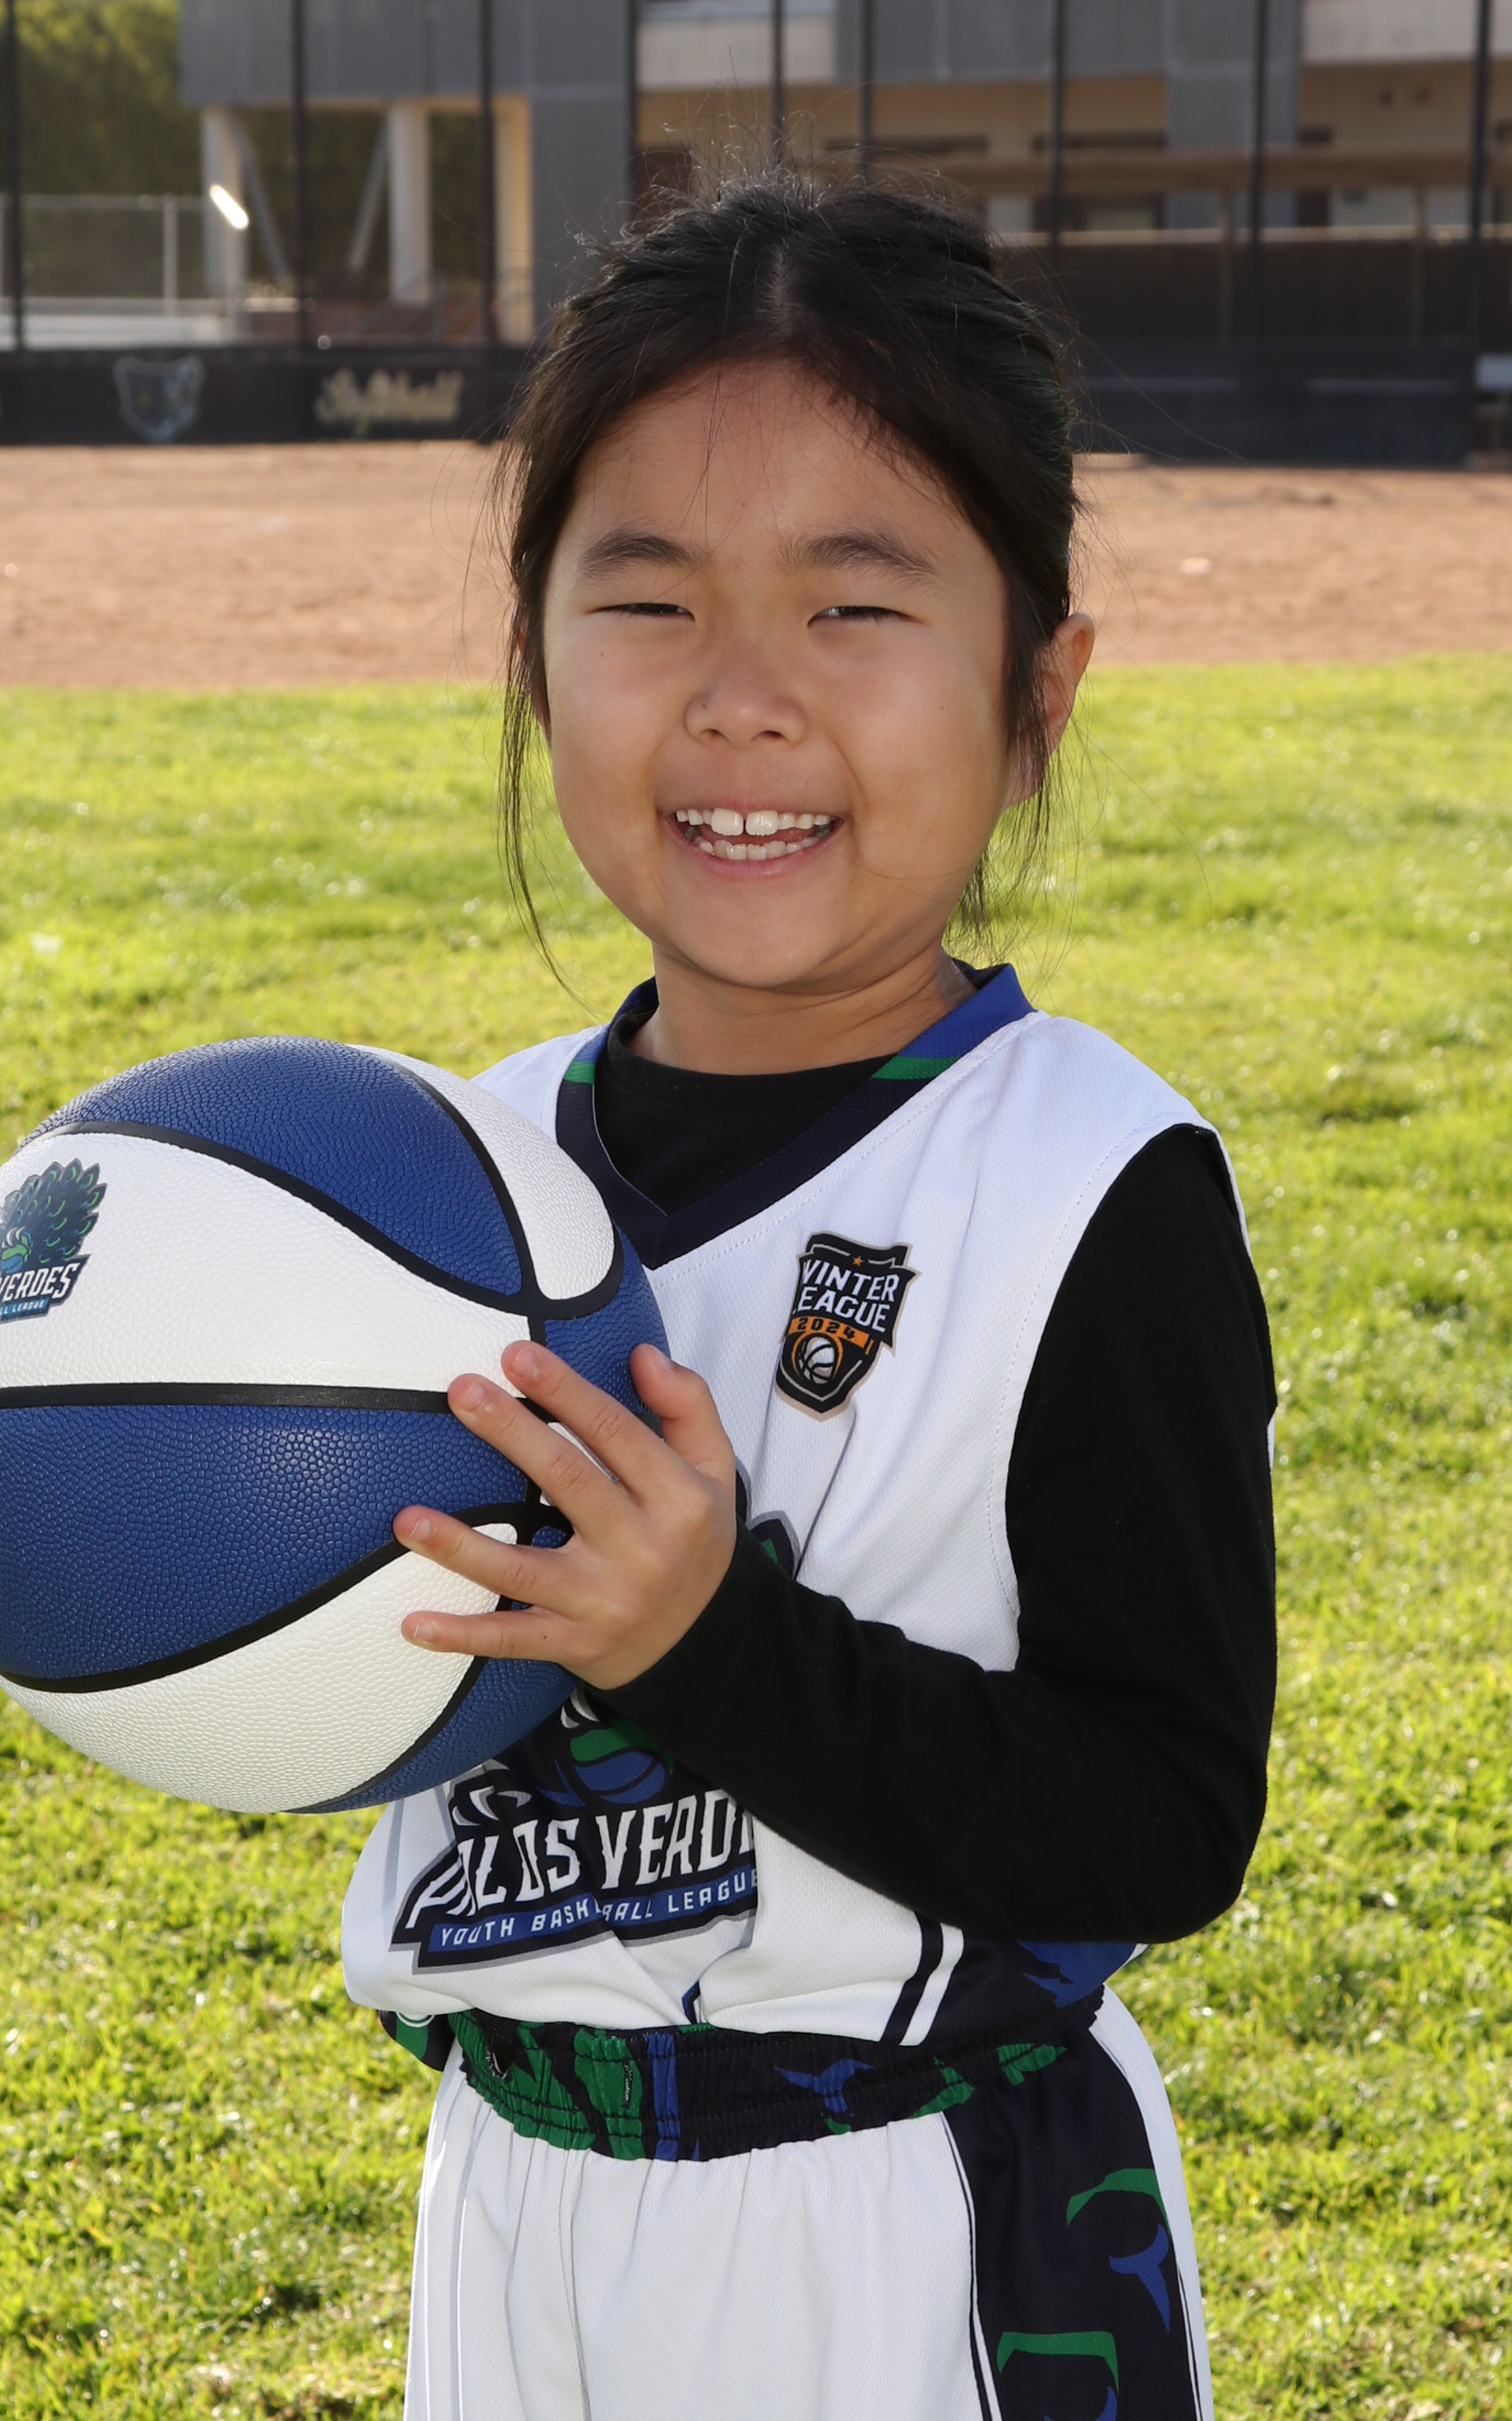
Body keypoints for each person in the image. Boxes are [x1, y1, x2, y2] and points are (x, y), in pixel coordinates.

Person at [341, 176, 1276, 2421]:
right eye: (648, 599)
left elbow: (1163, 1815)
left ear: (1038, 690)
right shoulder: (448, 1178)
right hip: (512, 2198)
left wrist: (709, 1650)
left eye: (855, 606)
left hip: (911, 2221)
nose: (742, 701)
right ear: (532, 658)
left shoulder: (1086, 1185)